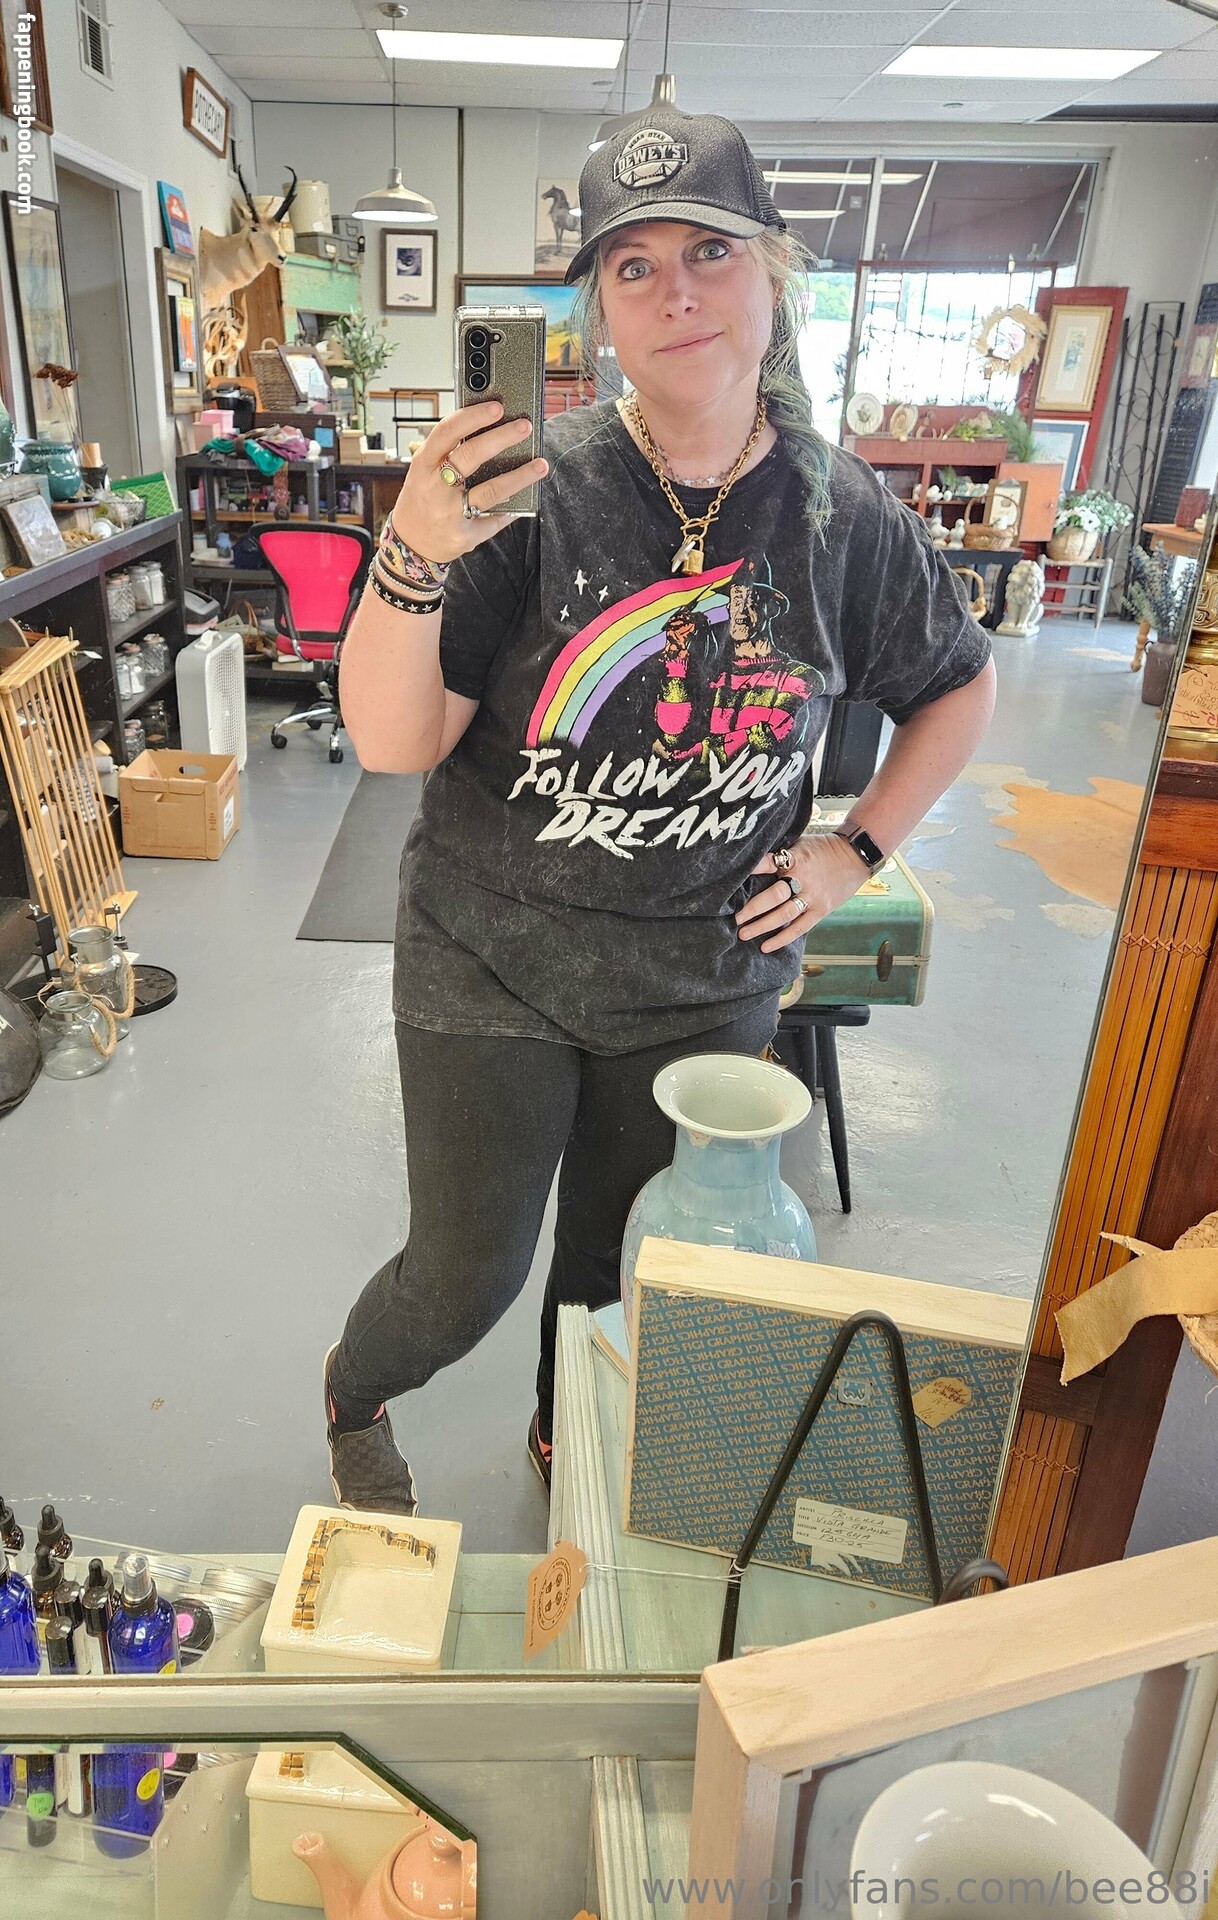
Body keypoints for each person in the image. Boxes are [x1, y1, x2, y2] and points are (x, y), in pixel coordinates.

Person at [324, 108, 997, 1513]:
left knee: (614, 1267)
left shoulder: (839, 517)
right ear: (600, 312)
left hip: (702, 973)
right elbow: (394, 740)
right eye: (633, 267)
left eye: (710, 251)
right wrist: (410, 550)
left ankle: (562, 1435)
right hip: (491, 954)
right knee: (463, 1276)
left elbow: (957, 686)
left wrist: (852, 850)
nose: (677, 291)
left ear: (773, 274)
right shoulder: (529, 492)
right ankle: (354, 1389)